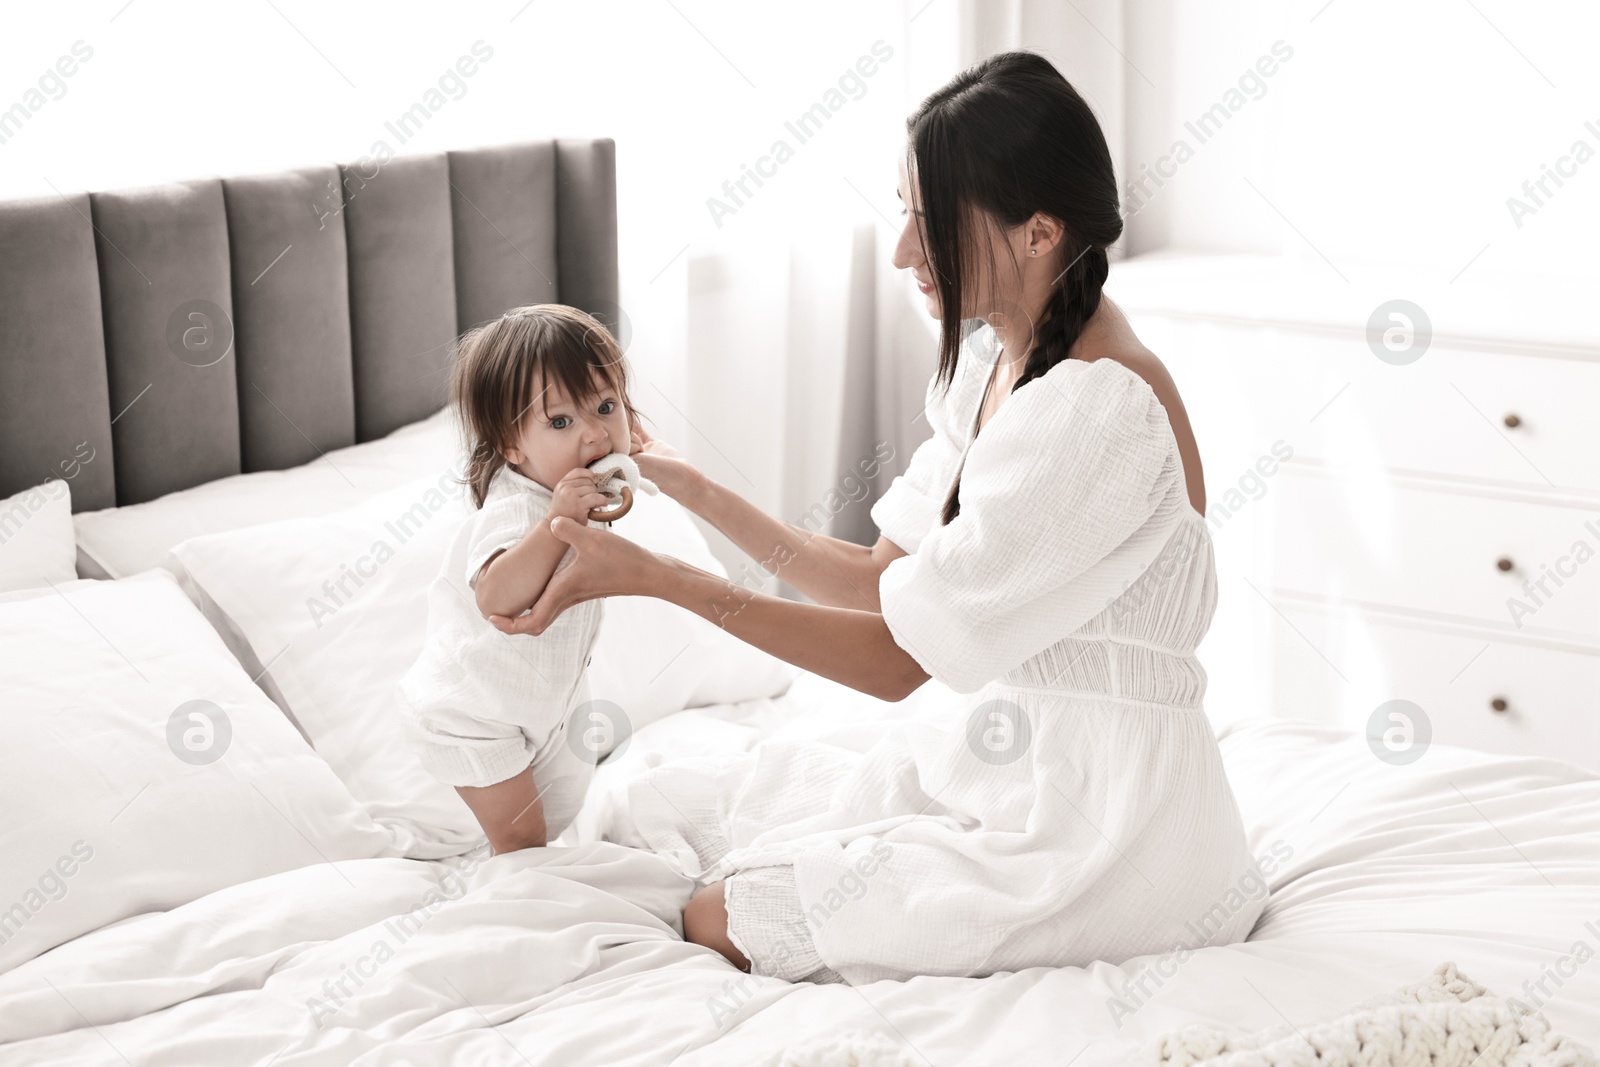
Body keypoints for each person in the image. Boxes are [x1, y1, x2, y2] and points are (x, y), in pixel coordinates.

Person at [491, 51, 1264, 985]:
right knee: (672, 805)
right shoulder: (997, 363)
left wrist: (661, 579)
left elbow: (897, 662)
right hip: (1019, 771)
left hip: (1113, 834)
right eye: (905, 212)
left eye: (929, 223)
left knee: (720, 911)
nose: (903, 251)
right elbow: (879, 580)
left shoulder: (1094, 411)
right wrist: (686, 486)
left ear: (1039, 232)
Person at [397, 303, 646, 855]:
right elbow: (496, 596)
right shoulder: (520, 512)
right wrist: (556, 527)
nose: (595, 436)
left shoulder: (585, 484)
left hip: (540, 710)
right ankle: (513, 911)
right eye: (560, 422)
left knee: (559, 817)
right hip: (473, 712)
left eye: (606, 407)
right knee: (522, 839)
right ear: (512, 447)